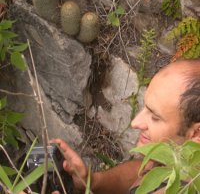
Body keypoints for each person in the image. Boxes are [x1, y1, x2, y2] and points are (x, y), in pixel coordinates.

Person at [21, 59, 200, 194]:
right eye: (144, 108)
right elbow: (147, 170)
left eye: (155, 117)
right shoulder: (175, 157)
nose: (136, 122)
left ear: (196, 133)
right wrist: (93, 181)